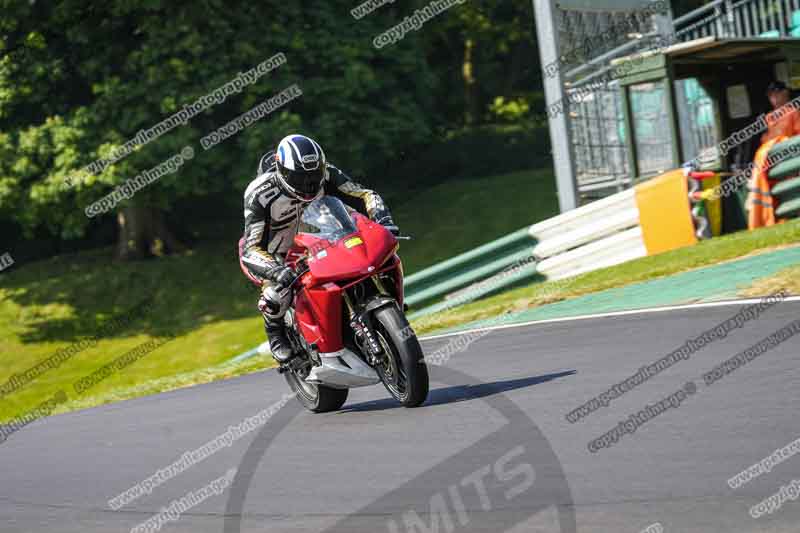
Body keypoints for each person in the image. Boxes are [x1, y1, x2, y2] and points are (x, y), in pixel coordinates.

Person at [239, 134, 399, 364]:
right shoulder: (259, 194)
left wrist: (383, 219)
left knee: (371, 254)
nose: (309, 183)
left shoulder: (328, 173)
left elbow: (364, 195)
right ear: (282, 172)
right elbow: (251, 247)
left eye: (314, 175)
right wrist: (275, 270)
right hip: (274, 252)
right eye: (300, 177)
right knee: (277, 293)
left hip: (320, 239)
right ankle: (275, 332)